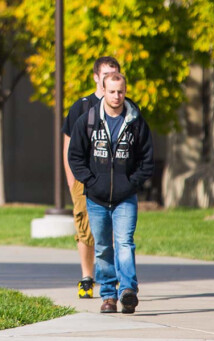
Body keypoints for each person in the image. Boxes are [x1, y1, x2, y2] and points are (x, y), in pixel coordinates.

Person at [68, 72, 153, 314]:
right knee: (104, 246)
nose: (117, 96)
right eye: (112, 91)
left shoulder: (136, 122)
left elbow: (147, 160)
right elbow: (75, 156)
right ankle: (108, 296)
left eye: (121, 91)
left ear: (125, 91)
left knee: (124, 243)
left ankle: (127, 291)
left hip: (125, 198)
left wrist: (131, 183)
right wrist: (91, 182)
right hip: (96, 198)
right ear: (103, 91)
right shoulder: (88, 120)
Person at [63, 56, 120, 299]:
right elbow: (68, 146)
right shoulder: (82, 106)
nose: (110, 78)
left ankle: (113, 277)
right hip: (84, 178)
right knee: (85, 229)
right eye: (106, 74)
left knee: (114, 229)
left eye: (115, 73)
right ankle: (87, 277)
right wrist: (72, 180)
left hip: (114, 180)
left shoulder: (125, 106)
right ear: (97, 77)